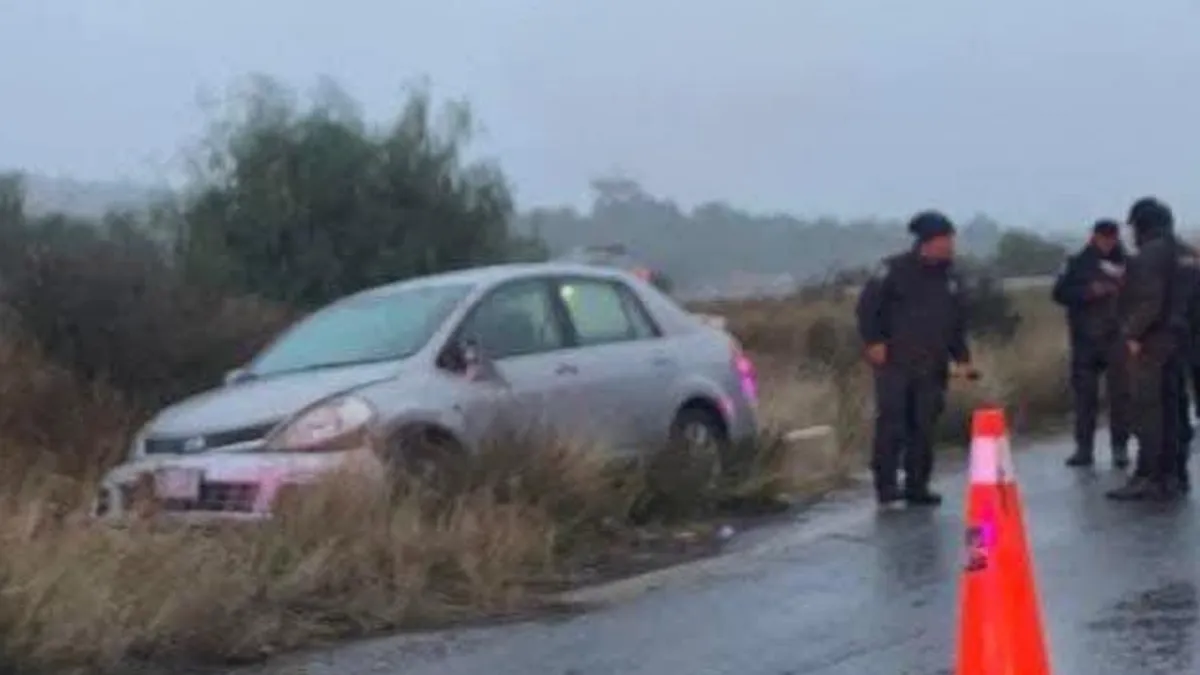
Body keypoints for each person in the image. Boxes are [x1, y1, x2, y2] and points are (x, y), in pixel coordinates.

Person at [855, 210, 976, 509]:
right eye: (944, 240)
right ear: (926, 242)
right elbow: (867, 307)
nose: (949, 246)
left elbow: (956, 322)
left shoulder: (951, 278)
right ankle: (886, 486)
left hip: (932, 364)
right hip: (896, 362)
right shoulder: (892, 270)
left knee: (924, 426)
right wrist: (873, 341)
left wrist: (962, 358)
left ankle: (917, 485)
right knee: (893, 424)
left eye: (950, 240)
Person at [1107, 197, 1197, 501]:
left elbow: (1149, 301)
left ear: (1143, 225)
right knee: (1176, 409)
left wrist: (1132, 334)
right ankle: (1175, 473)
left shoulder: (1149, 255)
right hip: (1182, 342)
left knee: (1149, 410)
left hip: (1154, 344)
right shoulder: (1188, 254)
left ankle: (1149, 475)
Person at [1052, 219, 1131, 469]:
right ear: (1094, 237)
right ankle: (1083, 449)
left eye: (1112, 238)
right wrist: (1088, 292)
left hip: (1117, 338)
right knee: (1085, 399)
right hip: (1085, 340)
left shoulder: (1126, 263)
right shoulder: (1076, 263)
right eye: (1103, 237)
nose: (1108, 242)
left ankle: (1120, 448)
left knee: (1120, 396)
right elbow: (1059, 293)